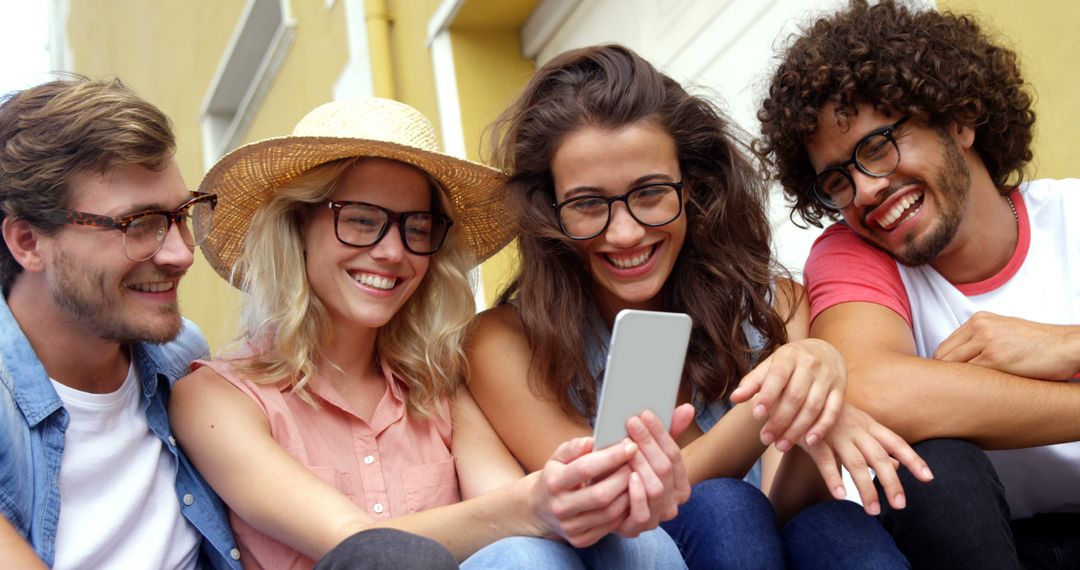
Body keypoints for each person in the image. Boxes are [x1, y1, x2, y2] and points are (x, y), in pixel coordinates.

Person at [171, 96, 689, 569]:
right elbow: (358, 544)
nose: (393, 251)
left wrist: (590, 496)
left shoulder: (438, 387)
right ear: (297, 227)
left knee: (633, 543)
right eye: (360, 219)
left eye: (416, 228)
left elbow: (513, 503)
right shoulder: (216, 398)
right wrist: (531, 505)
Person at [468, 43, 931, 570]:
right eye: (588, 204)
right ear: (548, 212)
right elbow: (624, 504)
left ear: (695, 186)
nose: (625, 233)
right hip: (648, 553)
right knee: (723, 506)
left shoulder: (774, 306)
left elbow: (784, 507)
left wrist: (813, 392)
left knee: (831, 526)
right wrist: (778, 399)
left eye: (650, 193)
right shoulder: (504, 343)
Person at [756, 1, 1080, 567]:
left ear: (959, 119)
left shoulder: (1072, 216)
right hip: (997, 545)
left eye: (878, 147)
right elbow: (871, 388)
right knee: (933, 459)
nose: (863, 192)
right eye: (837, 180)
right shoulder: (851, 254)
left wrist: (1069, 344)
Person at [0, 77, 241, 568]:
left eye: (182, 215)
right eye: (138, 224)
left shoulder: (180, 358)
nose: (180, 255)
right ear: (28, 242)